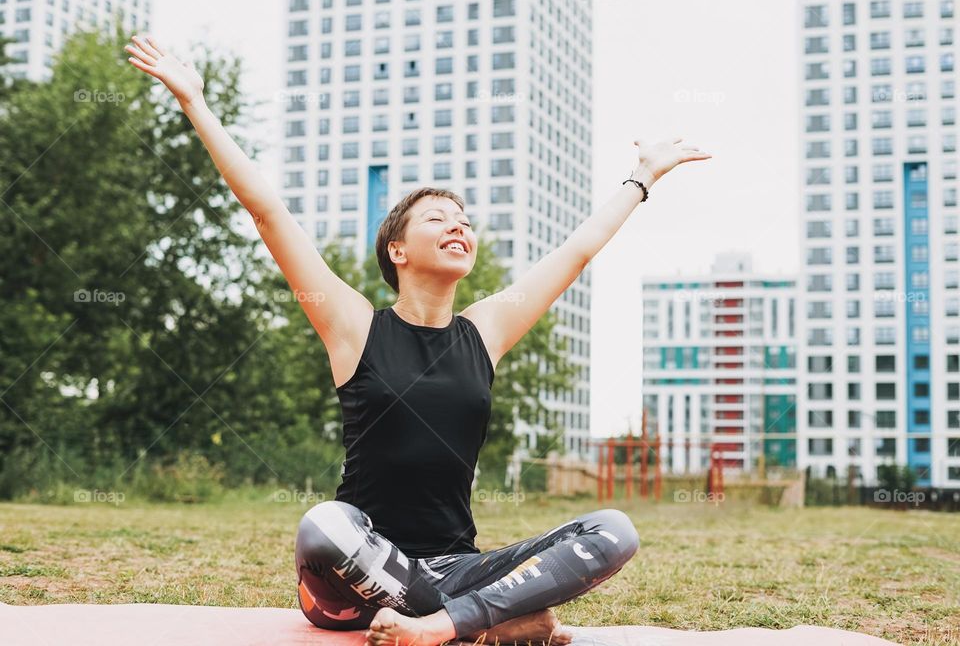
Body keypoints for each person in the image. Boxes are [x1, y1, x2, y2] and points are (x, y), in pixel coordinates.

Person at [125, 33, 711, 646]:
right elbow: (268, 210)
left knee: (612, 530)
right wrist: (194, 101)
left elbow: (578, 250)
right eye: (437, 217)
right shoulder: (353, 325)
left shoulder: (486, 330)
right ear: (396, 250)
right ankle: (494, 619)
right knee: (324, 525)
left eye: (463, 219)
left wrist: (642, 175)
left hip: (456, 568)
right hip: (358, 573)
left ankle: (448, 624)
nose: (458, 224)